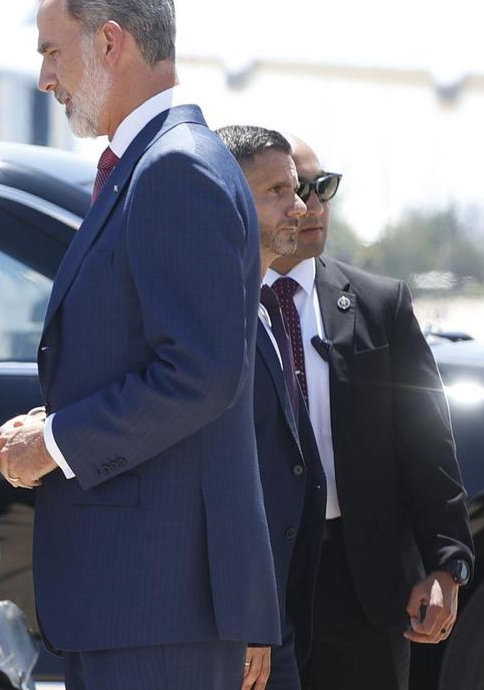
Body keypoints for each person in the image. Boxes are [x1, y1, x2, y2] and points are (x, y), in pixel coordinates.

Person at [0, 0, 279, 690]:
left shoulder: (173, 169)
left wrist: (54, 441)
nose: (45, 78)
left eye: (52, 51)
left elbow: (201, 372)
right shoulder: (154, 164)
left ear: (110, 42)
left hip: (157, 604)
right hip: (140, 602)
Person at [265, 134, 474, 690]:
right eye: (292, 190)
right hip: (259, 584)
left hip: (364, 586)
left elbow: (428, 443)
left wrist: (446, 564)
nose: (311, 207)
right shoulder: (220, 307)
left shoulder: (380, 305)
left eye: (322, 188)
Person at [218, 126, 327, 690]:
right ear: (227, 197)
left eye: (300, 189)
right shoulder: (217, 315)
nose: (301, 207)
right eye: (278, 192)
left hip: (273, 615)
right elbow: (221, 479)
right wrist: (248, 615)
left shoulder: (256, 306)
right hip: (240, 627)